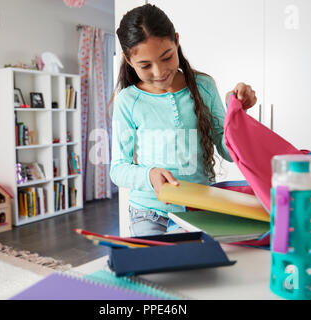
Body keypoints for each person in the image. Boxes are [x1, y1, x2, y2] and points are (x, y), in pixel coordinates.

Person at [110, 4, 257, 236]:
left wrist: (235, 112)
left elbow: (229, 151)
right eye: (145, 65)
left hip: (198, 208)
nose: (159, 72)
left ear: (176, 41)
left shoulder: (203, 87)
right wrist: (149, 175)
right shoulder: (128, 100)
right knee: (158, 268)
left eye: (167, 57)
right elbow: (118, 169)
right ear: (129, 61)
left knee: (196, 267)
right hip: (149, 212)